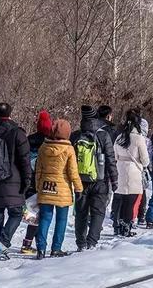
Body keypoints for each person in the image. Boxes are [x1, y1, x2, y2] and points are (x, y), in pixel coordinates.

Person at [0, 103, 31, 260]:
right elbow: (24, 159)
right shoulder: (17, 133)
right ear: (10, 113)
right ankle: (2, 244)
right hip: (13, 180)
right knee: (16, 213)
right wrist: (27, 179)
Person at [70, 105, 117, 252]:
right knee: (98, 212)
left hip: (80, 180)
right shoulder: (103, 135)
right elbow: (110, 158)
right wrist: (114, 180)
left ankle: (81, 242)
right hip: (100, 179)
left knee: (81, 212)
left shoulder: (75, 135)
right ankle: (92, 242)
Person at [35, 119, 83, 259]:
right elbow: (73, 172)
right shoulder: (69, 149)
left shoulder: (43, 147)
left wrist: (38, 186)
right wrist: (79, 188)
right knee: (61, 220)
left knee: (44, 219)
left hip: (45, 186)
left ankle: (41, 249)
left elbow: (38, 169)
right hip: (62, 189)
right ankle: (56, 248)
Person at [112, 110, 149, 237]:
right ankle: (127, 227)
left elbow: (115, 155)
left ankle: (120, 226)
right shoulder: (139, 138)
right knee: (130, 201)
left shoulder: (119, 137)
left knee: (122, 200)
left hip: (120, 169)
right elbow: (145, 161)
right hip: (133, 172)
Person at [20, 110, 52, 255]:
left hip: (29, 180)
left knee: (32, 212)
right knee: (42, 214)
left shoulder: (28, 139)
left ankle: (26, 243)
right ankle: (33, 243)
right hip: (44, 181)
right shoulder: (50, 141)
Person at [134, 118, 152, 226]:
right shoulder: (146, 140)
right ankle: (141, 215)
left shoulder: (128, 137)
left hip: (129, 168)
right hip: (142, 169)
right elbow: (149, 155)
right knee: (142, 192)